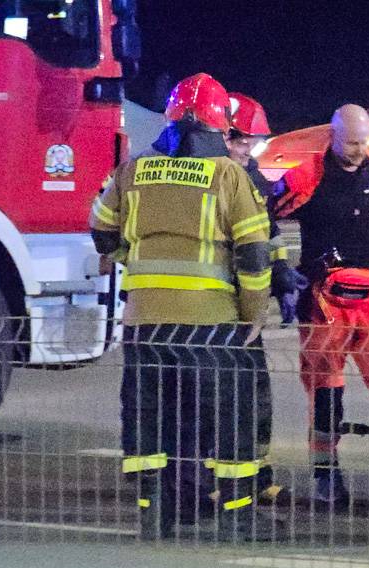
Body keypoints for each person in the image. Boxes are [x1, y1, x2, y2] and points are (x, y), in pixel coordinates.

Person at [89, 73, 273, 542]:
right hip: (211, 324)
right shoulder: (228, 175)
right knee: (229, 415)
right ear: (220, 122)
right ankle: (237, 518)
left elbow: (102, 231)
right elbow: (253, 255)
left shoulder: (132, 170)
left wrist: (130, 260)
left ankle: (154, 513)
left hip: (145, 323)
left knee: (150, 416)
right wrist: (253, 313)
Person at [277, 104, 369, 505]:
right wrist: (280, 269)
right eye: (351, 142)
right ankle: (325, 476)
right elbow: (260, 219)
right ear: (332, 137)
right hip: (322, 294)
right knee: (325, 388)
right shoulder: (305, 176)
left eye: (363, 142)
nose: (358, 150)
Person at [225, 92, 300, 507]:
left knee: (255, 393)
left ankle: (258, 475)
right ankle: (218, 481)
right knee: (222, 398)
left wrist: (284, 273)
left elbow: (268, 233)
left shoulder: (252, 176)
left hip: (248, 306)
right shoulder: (213, 177)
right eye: (240, 141)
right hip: (220, 304)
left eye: (252, 142)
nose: (247, 150)